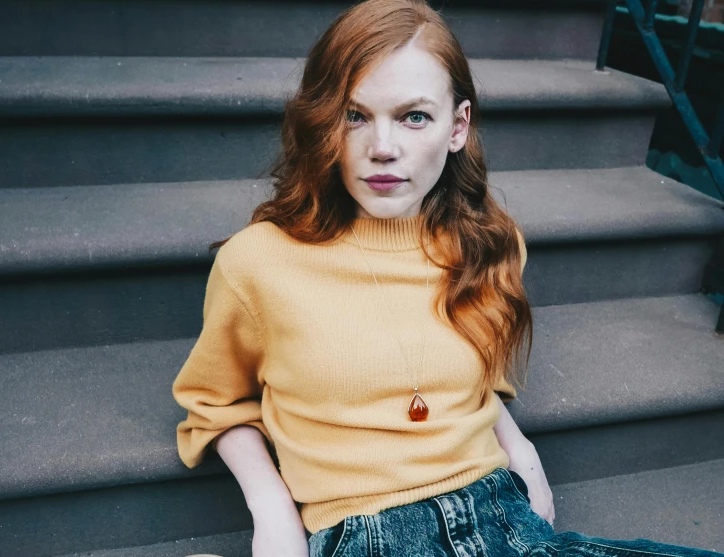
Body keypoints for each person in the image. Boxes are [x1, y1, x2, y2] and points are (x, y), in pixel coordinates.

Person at [172, 1, 722, 555]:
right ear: (323, 122)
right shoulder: (258, 262)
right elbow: (216, 404)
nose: (382, 149)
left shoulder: (488, 244)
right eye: (354, 115)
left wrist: (519, 445)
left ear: (457, 126)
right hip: (369, 533)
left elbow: (474, 380)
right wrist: (271, 509)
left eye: (414, 117)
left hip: (506, 519)